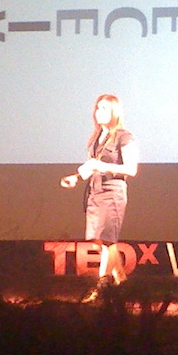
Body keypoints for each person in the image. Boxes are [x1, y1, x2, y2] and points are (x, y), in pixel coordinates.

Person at [61, 94, 139, 302]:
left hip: (112, 191)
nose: (99, 112)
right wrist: (76, 178)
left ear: (115, 112)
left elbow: (131, 169)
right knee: (101, 241)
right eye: (97, 108)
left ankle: (101, 288)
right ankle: (121, 281)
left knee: (107, 241)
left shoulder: (124, 136)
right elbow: (91, 166)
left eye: (105, 108)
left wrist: (103, 166)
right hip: (95, 191)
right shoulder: (96, 138)